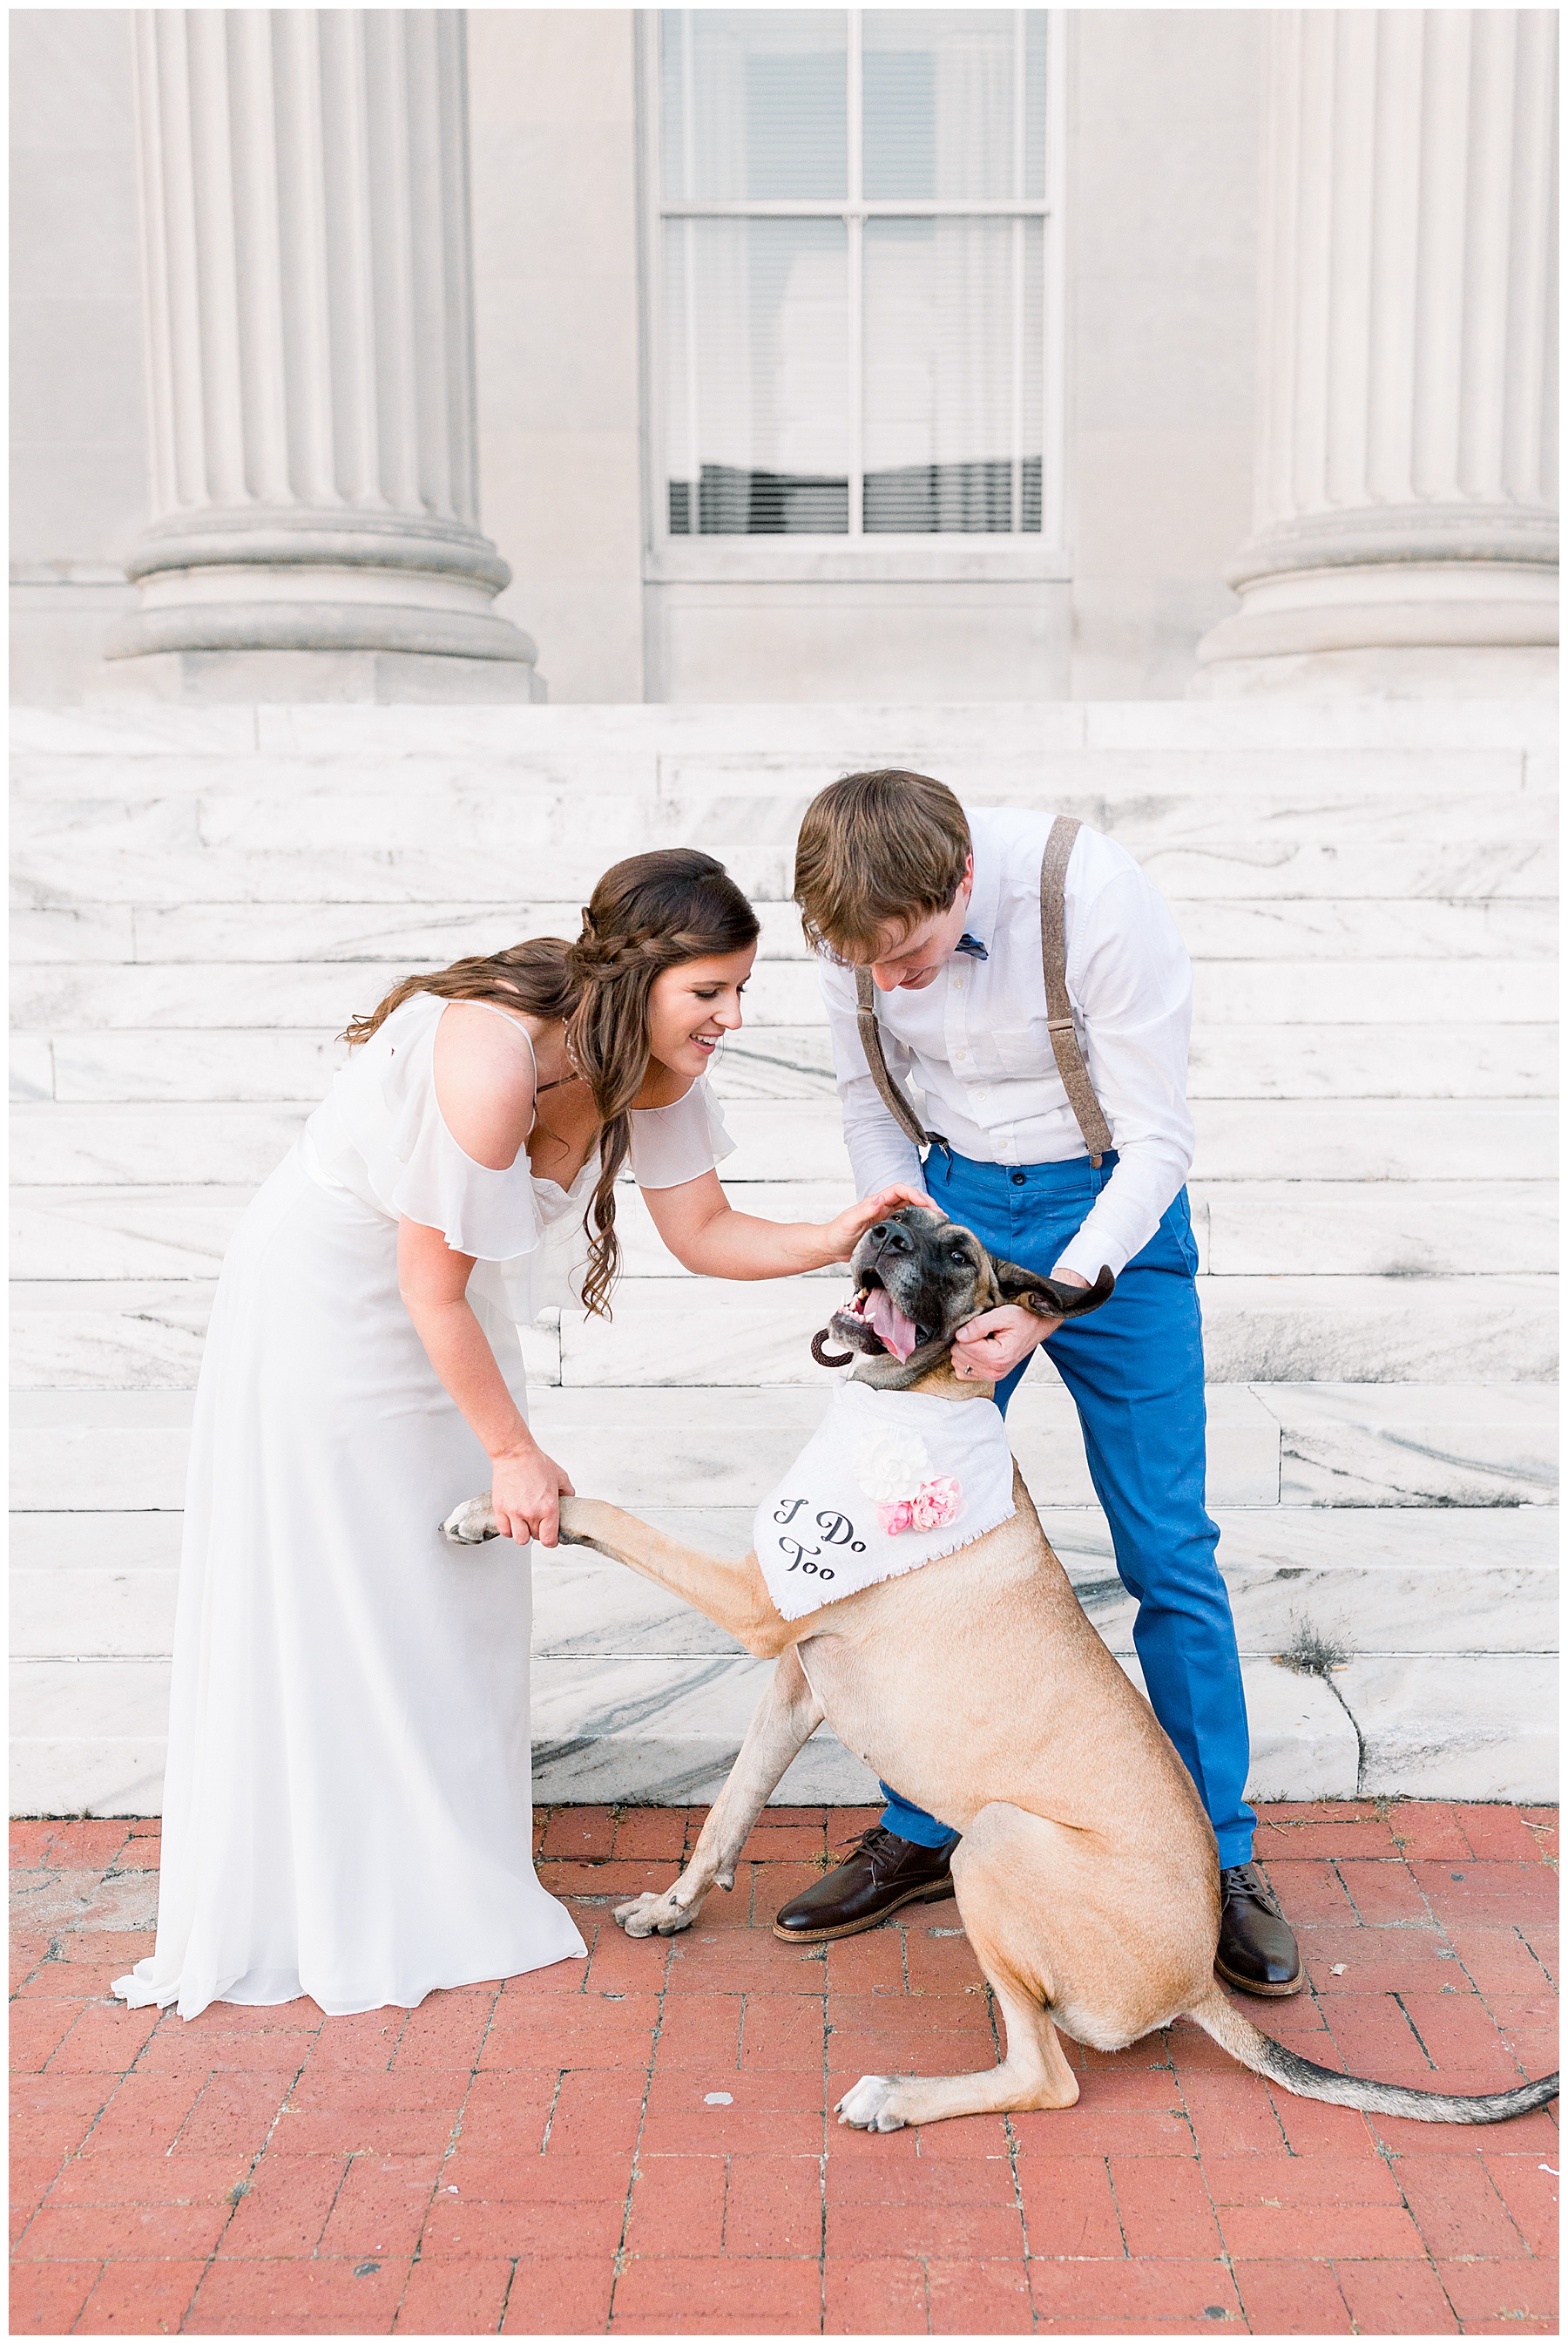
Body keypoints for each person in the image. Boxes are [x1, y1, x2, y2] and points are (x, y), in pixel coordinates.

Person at [115, 849, 921, 2022]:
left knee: (458, 1598)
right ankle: (339, 1898)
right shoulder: (493, 1056)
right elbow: (422, 1286)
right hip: (333, 1306)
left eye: (740, 990)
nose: (732, 1017)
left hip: (443, 1309)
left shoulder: (659, 1069)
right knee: (356, 1582)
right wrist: (510, 1450)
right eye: (711, 992)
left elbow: (701, 1229)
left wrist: (834, 1235)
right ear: (639, 974)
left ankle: (443, 1876)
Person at [771, 771, 1301, 1998]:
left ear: (961, 881)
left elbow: (1161, 1138)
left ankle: (1220, 1857)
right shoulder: (854, 932)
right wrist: (906, 1228)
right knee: (910, 1538)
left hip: (1111, 1207)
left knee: (1168, 1544)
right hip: (948, 1211)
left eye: (909, 953)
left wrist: (1046, 1300)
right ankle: (921, 1819)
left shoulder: (1095, 895)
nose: (891, 982)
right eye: (870, 965)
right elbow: (866, 1100)